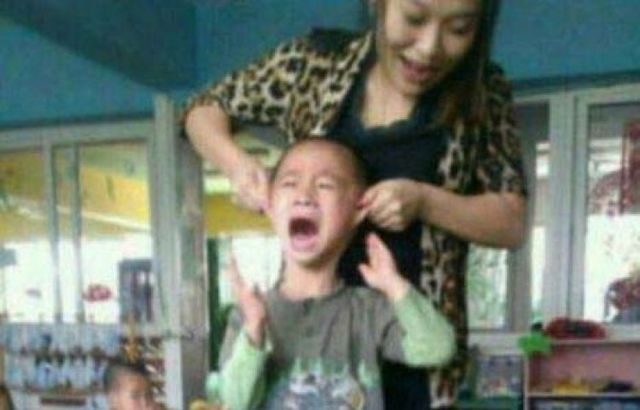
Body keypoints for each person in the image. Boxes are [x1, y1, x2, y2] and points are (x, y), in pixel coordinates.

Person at [183, 0, 526, 407]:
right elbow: (201, 110)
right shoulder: (314, 62)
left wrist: (425, 201)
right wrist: (237, 166)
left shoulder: (482, 89)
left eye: (459, 28)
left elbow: (511, 222)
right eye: (414, 19)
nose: (429, 47)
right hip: (300, 338)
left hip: (412, 348)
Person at [215, 138, 455, 410]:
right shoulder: (248, 315)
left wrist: (395, 285)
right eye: (290, 183)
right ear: (270, 206)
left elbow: (437, 348)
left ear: (358, 210)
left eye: (325, 185)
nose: (304, 195)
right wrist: (255, 328)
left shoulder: (370, 310)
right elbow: (234, 402)